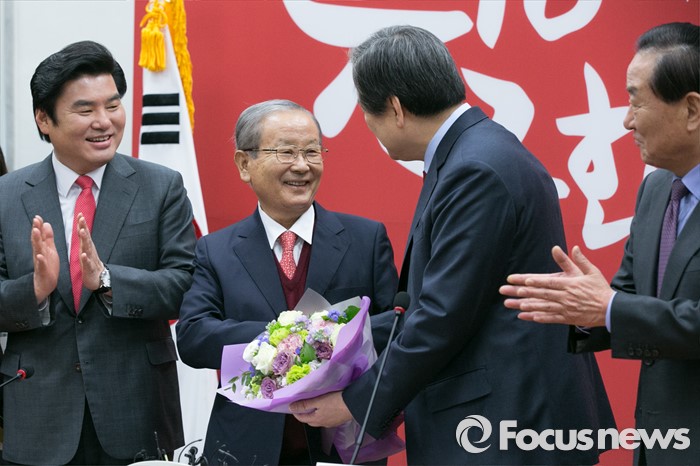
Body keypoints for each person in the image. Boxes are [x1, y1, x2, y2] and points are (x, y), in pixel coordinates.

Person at [290, 25, 615, 465]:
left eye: (366, 111)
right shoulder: (475, 151)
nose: (366, 124)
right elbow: (430, 307)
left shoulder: (474, 169)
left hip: (507, 424)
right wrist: (326, 336)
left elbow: (441, 317)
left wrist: (354, 402)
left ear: (395, 108)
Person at [500, 22, 700, 465]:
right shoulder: (656, 190)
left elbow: (625, 306)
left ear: (691, 109)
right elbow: (628, 298)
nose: (627, 120)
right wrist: (576, 308)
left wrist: (609, 307)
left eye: (636, 101)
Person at [0, 41, 196, 464]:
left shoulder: (161, 186)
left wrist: (108, 281)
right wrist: (34, 289)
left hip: (137, 409)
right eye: (85, 110)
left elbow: (185, 285)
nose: (104, 122)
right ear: (43, 118)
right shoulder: (6, 195)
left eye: (113, 105)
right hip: (38, 415)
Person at [175, 99, 399, 465]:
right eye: (286, 152)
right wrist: (290, 338)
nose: (302, 165)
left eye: (312, 152)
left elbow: (398, 328)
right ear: (244, 164)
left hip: (343, 442)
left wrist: (328, 340)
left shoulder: (365, 239)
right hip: (246, 447)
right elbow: (193, 337)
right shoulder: (216, 250)